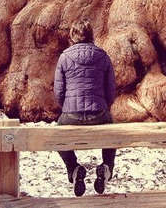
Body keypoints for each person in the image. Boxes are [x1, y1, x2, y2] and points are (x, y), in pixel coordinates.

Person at [54, 18, 117, 197]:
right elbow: (111, 90)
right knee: (112, 132)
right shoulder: (103, 56)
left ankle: (73, 168)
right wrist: (104, 107)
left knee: (56, 136)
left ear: (72, 36)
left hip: (71, 115)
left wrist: (67, 108)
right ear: (91, 35)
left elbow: (59, 91)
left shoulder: (64, 57)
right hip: (99, 113)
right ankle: (106, 167)